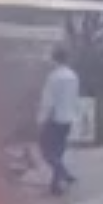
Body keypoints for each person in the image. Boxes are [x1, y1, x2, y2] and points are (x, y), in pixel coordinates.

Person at [36, 46, 80, 196]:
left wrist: (40, 119)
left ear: (54, 59)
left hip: (54, 118)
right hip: (68, 118)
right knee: (58, 151)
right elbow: (74, 98)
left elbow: (48, 101)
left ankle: (63, 173)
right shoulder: (73, 76)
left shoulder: (54, 77)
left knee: (45, 149)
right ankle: (56, 186)